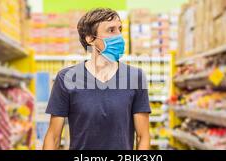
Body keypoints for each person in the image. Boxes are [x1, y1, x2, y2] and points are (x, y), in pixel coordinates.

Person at [43, 8, 151, 150]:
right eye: (111, 30)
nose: (119, 36)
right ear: (90, 38)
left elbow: (143, 136)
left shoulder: (135, 77)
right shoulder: (66, 78)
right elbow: (53, 137)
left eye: (120, 29)